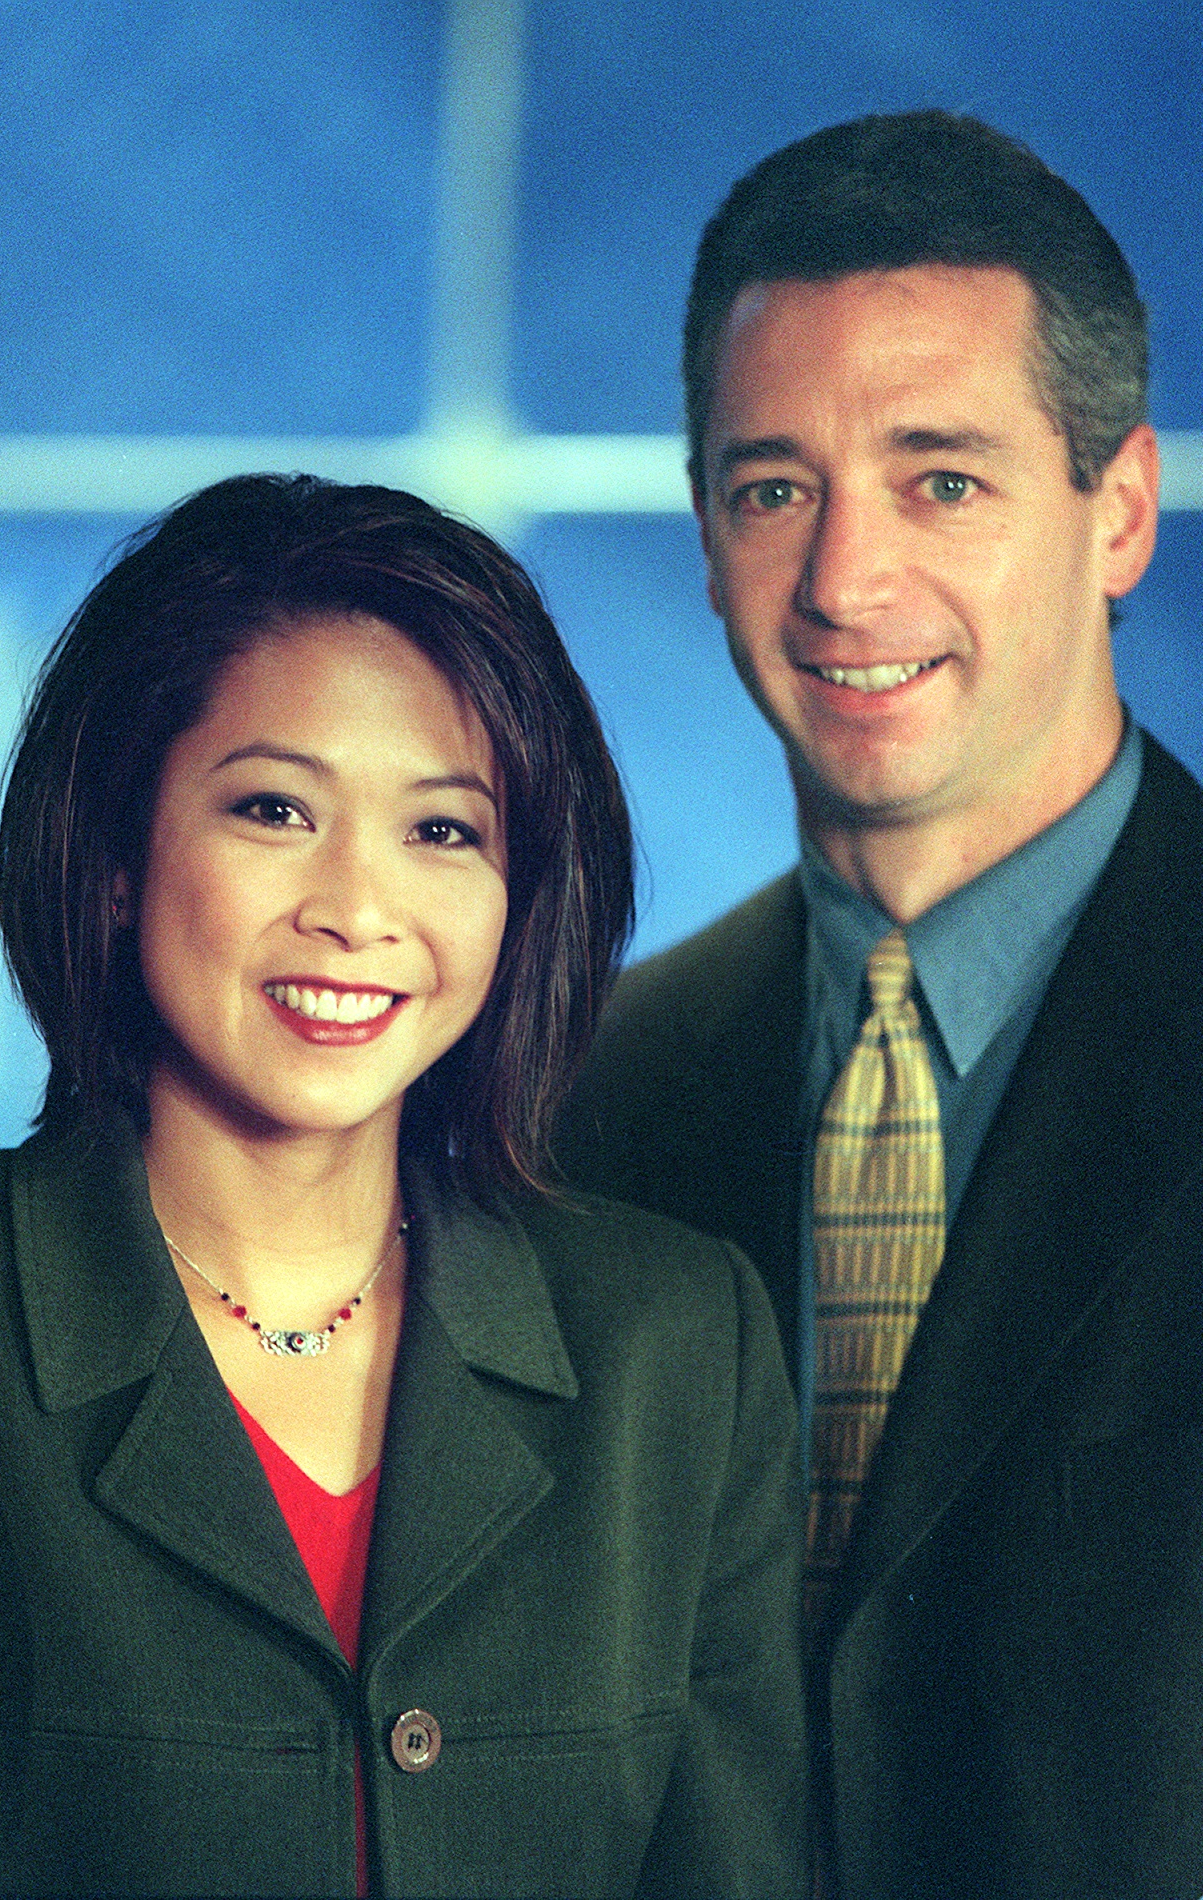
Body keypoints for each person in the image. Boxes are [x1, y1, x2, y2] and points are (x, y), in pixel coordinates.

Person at [0, 473, 807, 1899]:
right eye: (276, 808)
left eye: (442, 831)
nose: (357, 910)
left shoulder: (674, 1347)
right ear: (116, 856)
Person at [556, 110, 1203, 1899]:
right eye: (775, 488)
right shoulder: (578, 1097)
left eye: (941, 479)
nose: (844, 581)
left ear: (1120, 510)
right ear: (703, 535)